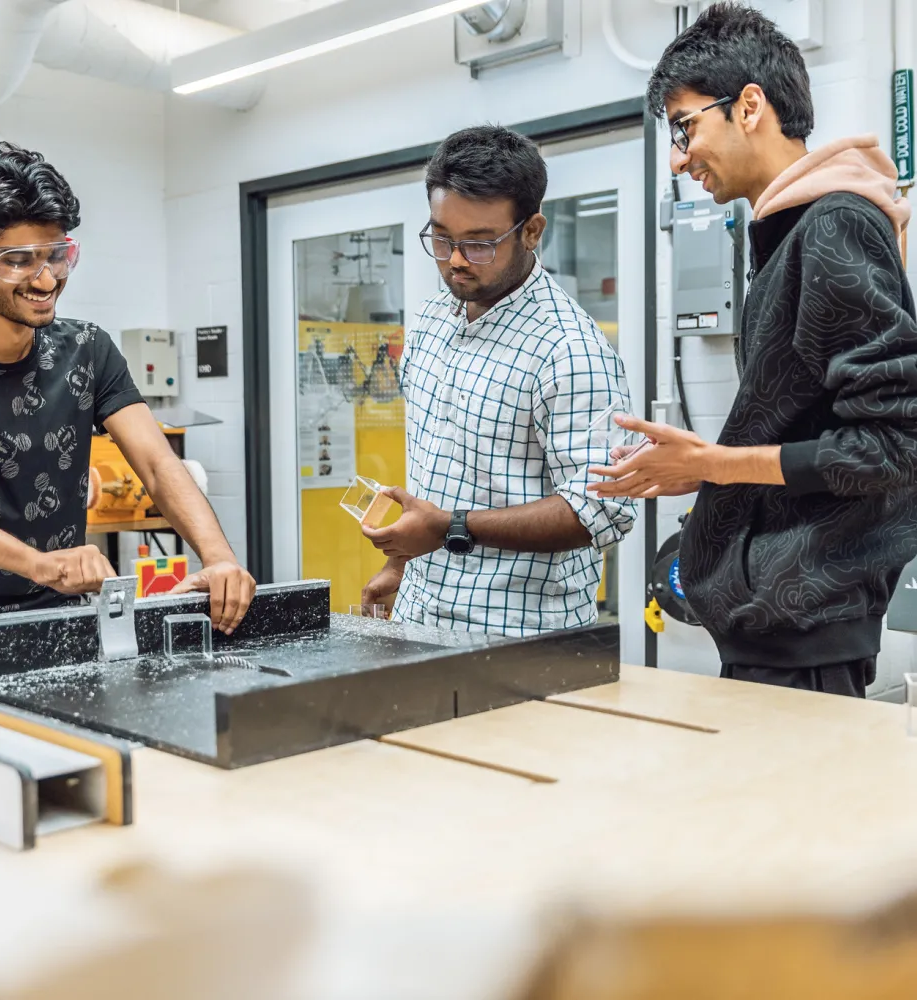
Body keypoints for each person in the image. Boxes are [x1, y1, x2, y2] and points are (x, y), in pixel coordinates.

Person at [589, 2, 917, 696]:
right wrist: (707, 470)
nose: (678, 159)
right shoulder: (793, 231)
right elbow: (812, 431)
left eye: (684, 128)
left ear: (748, 106)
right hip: (781, 630)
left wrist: (714, 462)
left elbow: (894, 447)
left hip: (806, 638)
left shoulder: (833, 228)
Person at [0, 142, 254, 642]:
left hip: (60, 618)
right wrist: (41, 565)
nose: (47, 278)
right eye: (18, 260)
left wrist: (220, 559)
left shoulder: (86, 349)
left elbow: (160, 466)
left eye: (58, 255)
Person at [361, 125, 636, 635]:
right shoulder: (431, 321)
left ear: (531, 231)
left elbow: (603, 509)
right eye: (442, 239)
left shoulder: (569, 350)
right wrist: (401, 565)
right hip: (420, 616)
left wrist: (450, 530)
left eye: (480, 244)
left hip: (519, 635)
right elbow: (434, 467)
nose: (456, 261)